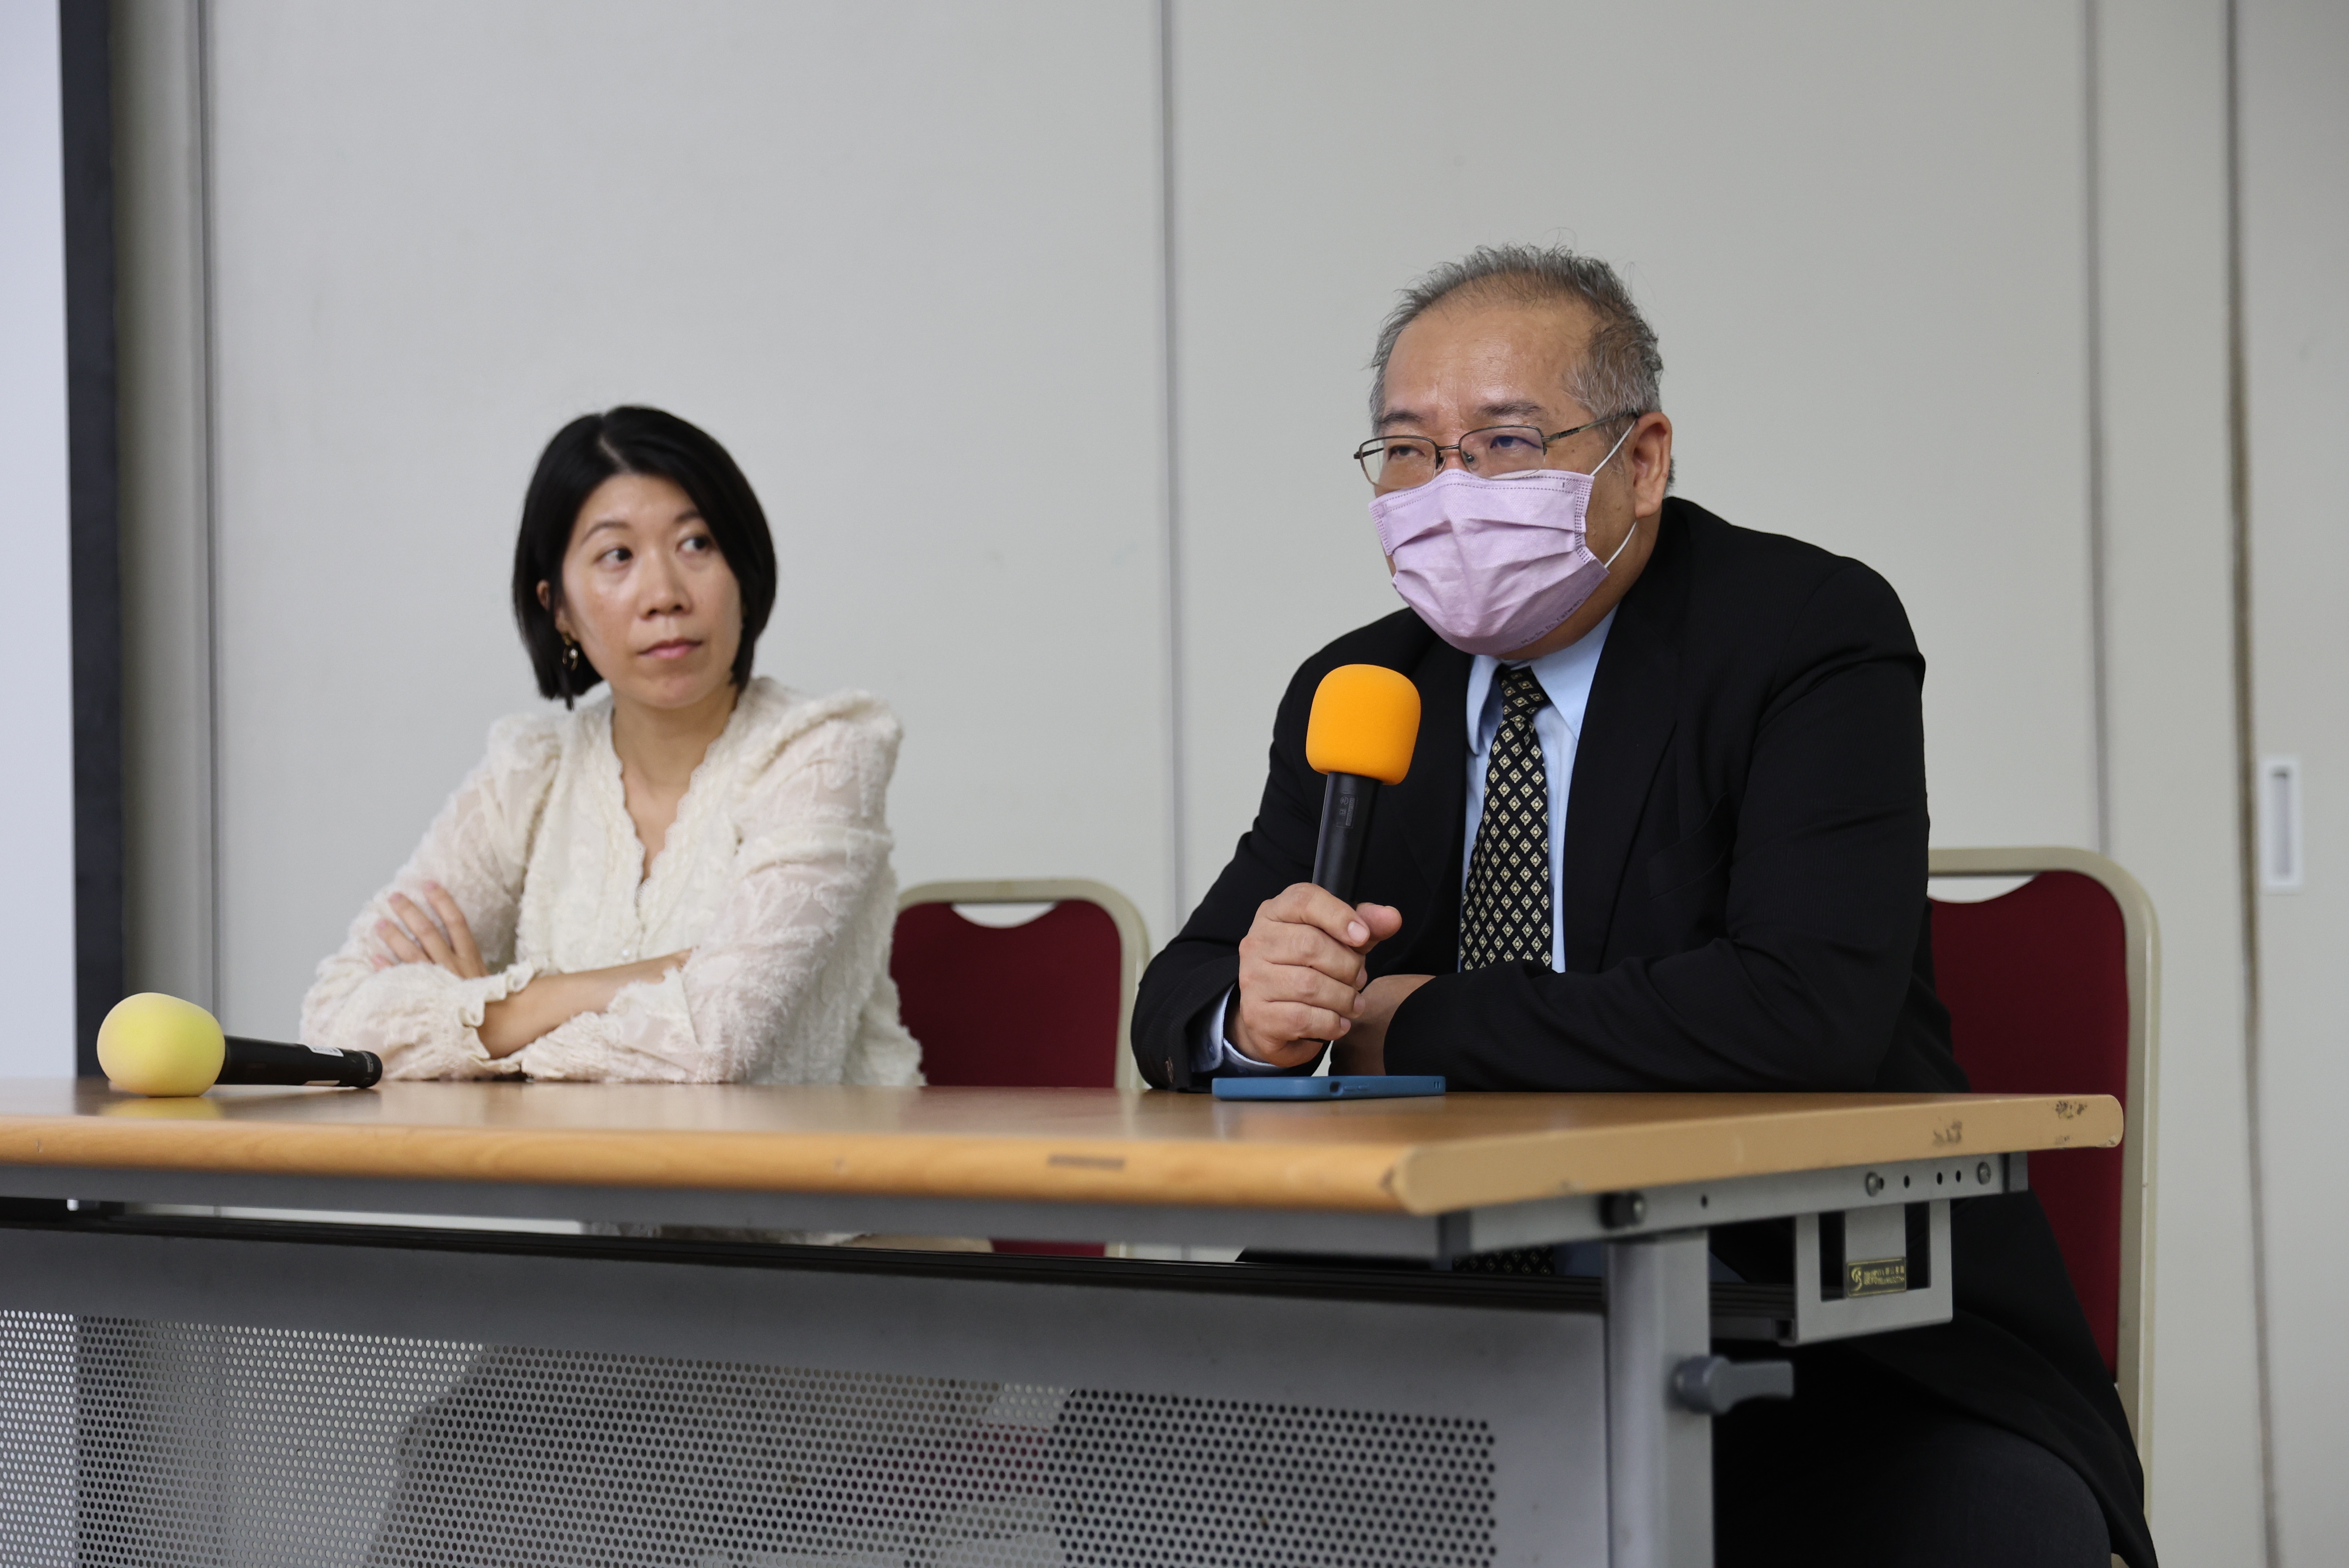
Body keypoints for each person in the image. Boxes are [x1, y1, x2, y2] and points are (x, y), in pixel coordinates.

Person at [1131, 246, 2154, 1568]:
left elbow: (1802, 1011)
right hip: (1430, 1303)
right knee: (1135, 1443)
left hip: (1789, 1304)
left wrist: (1410, 1022)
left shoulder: (1800, 630)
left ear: (1643, 457)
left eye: (1504, 442)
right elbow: (1179, 995)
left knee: (1983, 1520)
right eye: (1407, 451)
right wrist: (1252, 1013)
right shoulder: (1363, 684)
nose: (1448, 492)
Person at [302, 405, 921, 1087]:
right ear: (560, 609)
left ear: (742, 571)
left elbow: (713, 1043)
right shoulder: (530, 773)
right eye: (617, 556)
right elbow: (334, 1023)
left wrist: (481, 1025)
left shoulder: (821, 753)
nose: (664, 594)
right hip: (565, 1161)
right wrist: (582, 991)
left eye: (696, 543)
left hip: (807, 1158)